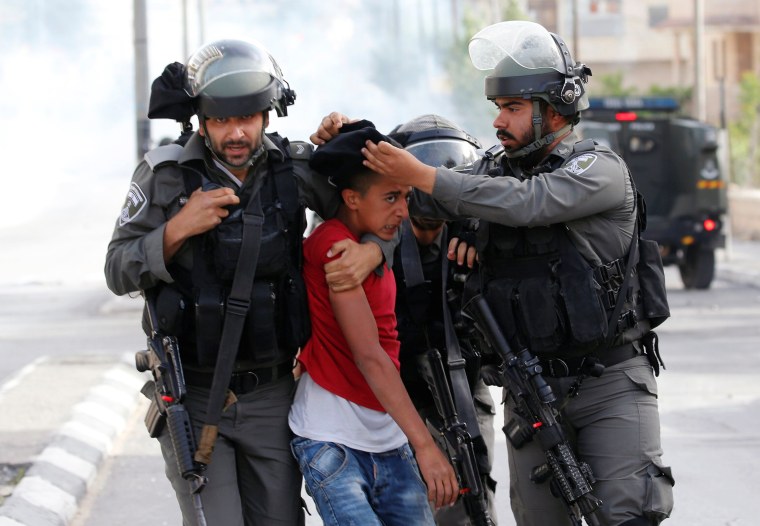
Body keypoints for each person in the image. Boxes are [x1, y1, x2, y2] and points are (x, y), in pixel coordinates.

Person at [323, 20, 675, 526]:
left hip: (610, 383)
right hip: (529, 386)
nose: (498, 123)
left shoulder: (598, 169)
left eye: (512, 109)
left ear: (553, 110)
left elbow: (529, 203)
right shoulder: (492, 170)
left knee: (627, 516)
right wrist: (353, 143)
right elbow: (411, 202)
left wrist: (426, 180)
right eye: (498, 110)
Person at [104, 39, 394, 526]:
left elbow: (381, 209)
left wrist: (374, 250)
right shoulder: (165, 177)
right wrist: (176, 229)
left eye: (248, 118)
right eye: (221, 120)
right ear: (200, 120)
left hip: (273, 394)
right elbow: (116, 269)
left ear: (267, 115)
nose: (236, 132)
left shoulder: (295, 169)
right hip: (194, 395)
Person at [288, 121, 459, 526]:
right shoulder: (335, 245)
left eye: (405, 196)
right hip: (334, 439)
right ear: (350, 198)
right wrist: (427, 447)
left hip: (386, 436)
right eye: (391, 198)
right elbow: (370, 355)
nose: (403, 210)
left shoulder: (377, 241)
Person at [389, 114, 499, 526]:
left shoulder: (472, 232)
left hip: (463, 387)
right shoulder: (379, 236)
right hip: (397, 393)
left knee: (472, 501)